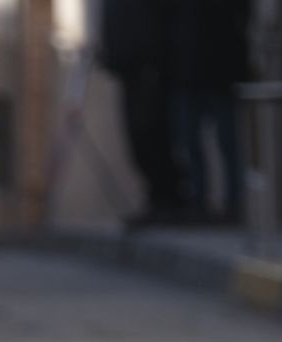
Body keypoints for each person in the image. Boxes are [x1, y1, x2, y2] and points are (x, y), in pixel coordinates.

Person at [99, 0, 187, 227]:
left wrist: (154, 63)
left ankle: (168, 199)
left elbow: (160, 22)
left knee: (152, 135)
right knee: (137, 139)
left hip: (148, 71)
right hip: (127, 70)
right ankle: (156, 198)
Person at [170, 0, 251, 222]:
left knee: (228, 142)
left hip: (221, 72)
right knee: (189, 142)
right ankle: (198, 202)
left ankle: (234, 204)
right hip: (187, 74)